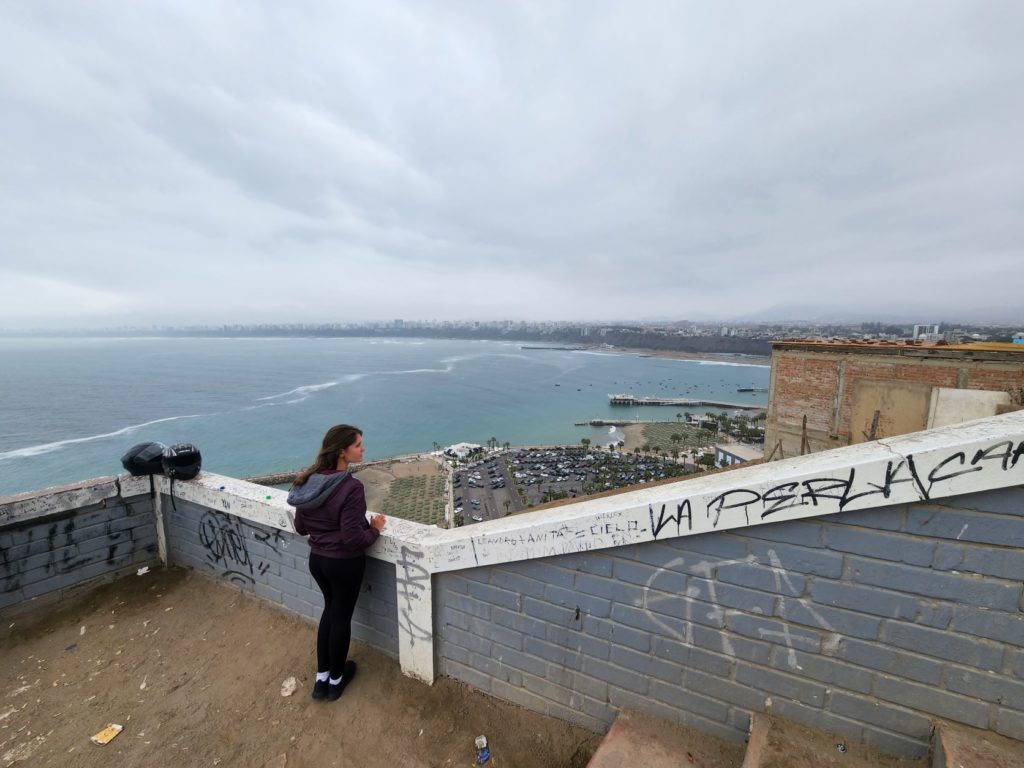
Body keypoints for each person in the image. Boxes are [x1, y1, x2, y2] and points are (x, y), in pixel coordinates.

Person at [288, 424, 386, 701]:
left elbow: (301, 527)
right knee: (340, 618)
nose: (363, 449)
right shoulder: (350, 487)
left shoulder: (310, 480)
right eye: (358, 445)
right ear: (343, 452)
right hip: (344, 564)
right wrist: (375, 528)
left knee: (330, 613)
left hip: (317, 560)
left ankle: (321, 680)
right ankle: (336, 681)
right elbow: (353, 539)